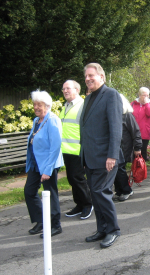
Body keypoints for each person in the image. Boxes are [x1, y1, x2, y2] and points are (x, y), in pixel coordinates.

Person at [80, 63, 122, 248]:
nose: (88, 78)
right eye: (86, 76)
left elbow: (115, 128)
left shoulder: (111, 94)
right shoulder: (88, 98)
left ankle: (113, 230)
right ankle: (102, 229)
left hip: (106, 157)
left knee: (102, 193)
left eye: (91, 75)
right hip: (90, 157)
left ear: (102, 77)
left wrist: (112, 155)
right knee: (95, 195)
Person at [24, 91, 64, 238]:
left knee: (50, 193)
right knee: (29, 191)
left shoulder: (53, 120)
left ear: (47, 105)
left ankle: (55, 225)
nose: (36, 107)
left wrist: (47, 170)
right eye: (34, 104)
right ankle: (41, 222)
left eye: (39, 105)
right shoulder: (36, 121)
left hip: (49, 164)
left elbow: (55, 146)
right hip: (35, 163)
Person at [60, 80, 93, 220]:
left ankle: (87, 204)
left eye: (68, 88)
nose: (65, 91)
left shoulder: (82, 106)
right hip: (66, 149)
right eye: (63, 89)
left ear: (77, 90)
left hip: (77, 150)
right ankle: (79, 204)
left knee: (78, 179)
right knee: (71, 179)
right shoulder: (65, 106)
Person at [113, 94, 142, 201]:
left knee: (119, 168)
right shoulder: (114, 115)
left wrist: (137, 148)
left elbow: (136, 132)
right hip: (115, 147)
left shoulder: (127, 115)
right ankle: (119, 190)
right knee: (115, 169)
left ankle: (127, 190)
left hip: (125, 147)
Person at [131, 87, 150, 161]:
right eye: (144, 95)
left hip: (144, 132)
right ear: (139, 95)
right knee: (134, 152)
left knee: (143, 151)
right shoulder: (133, 104)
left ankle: (143, 169)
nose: (146, 97)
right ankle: (135, 169)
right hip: (134, 132)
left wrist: (147, 104)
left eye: (147, 95)